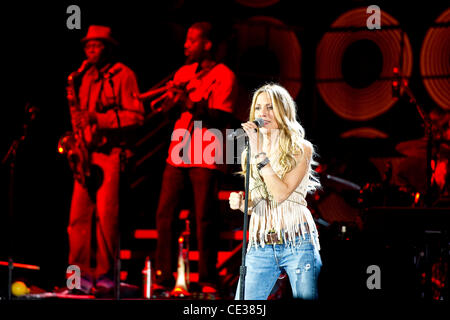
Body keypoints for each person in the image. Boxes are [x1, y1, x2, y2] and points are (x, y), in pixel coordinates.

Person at [149, 22, 237, 295]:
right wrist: (169, 104)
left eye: (192, 40)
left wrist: (188, 102)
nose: (185, 45)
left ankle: (207, 277)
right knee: (165, 213)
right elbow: (168, 113)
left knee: (205, 217)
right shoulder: (183, 72)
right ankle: (164, 276)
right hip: (178, 150)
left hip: (207, 151)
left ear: (206, 44)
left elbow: (222, 118)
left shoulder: (225, 75)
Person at [65, 25, 144, 296]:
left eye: (96, 46)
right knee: (77, 221)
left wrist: (98, 119)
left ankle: (106, 277)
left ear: (108, 48)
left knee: (106, 220)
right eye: (87, 46)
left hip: (110, 154)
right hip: (85, 155)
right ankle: (78, 278)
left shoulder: (123, 75)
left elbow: (137, 116)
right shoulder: (82, 77)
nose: (90, 51)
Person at [229, 83, 322, 300]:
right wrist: (242, 203)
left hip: (297, 240)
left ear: (283, 110)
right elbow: (258, 202)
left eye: (270, 107)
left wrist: (260, 153)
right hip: (261, 244)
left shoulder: (301, 148)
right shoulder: (250, 154)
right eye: (259, 108)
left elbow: (281, 193)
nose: (263, 113)